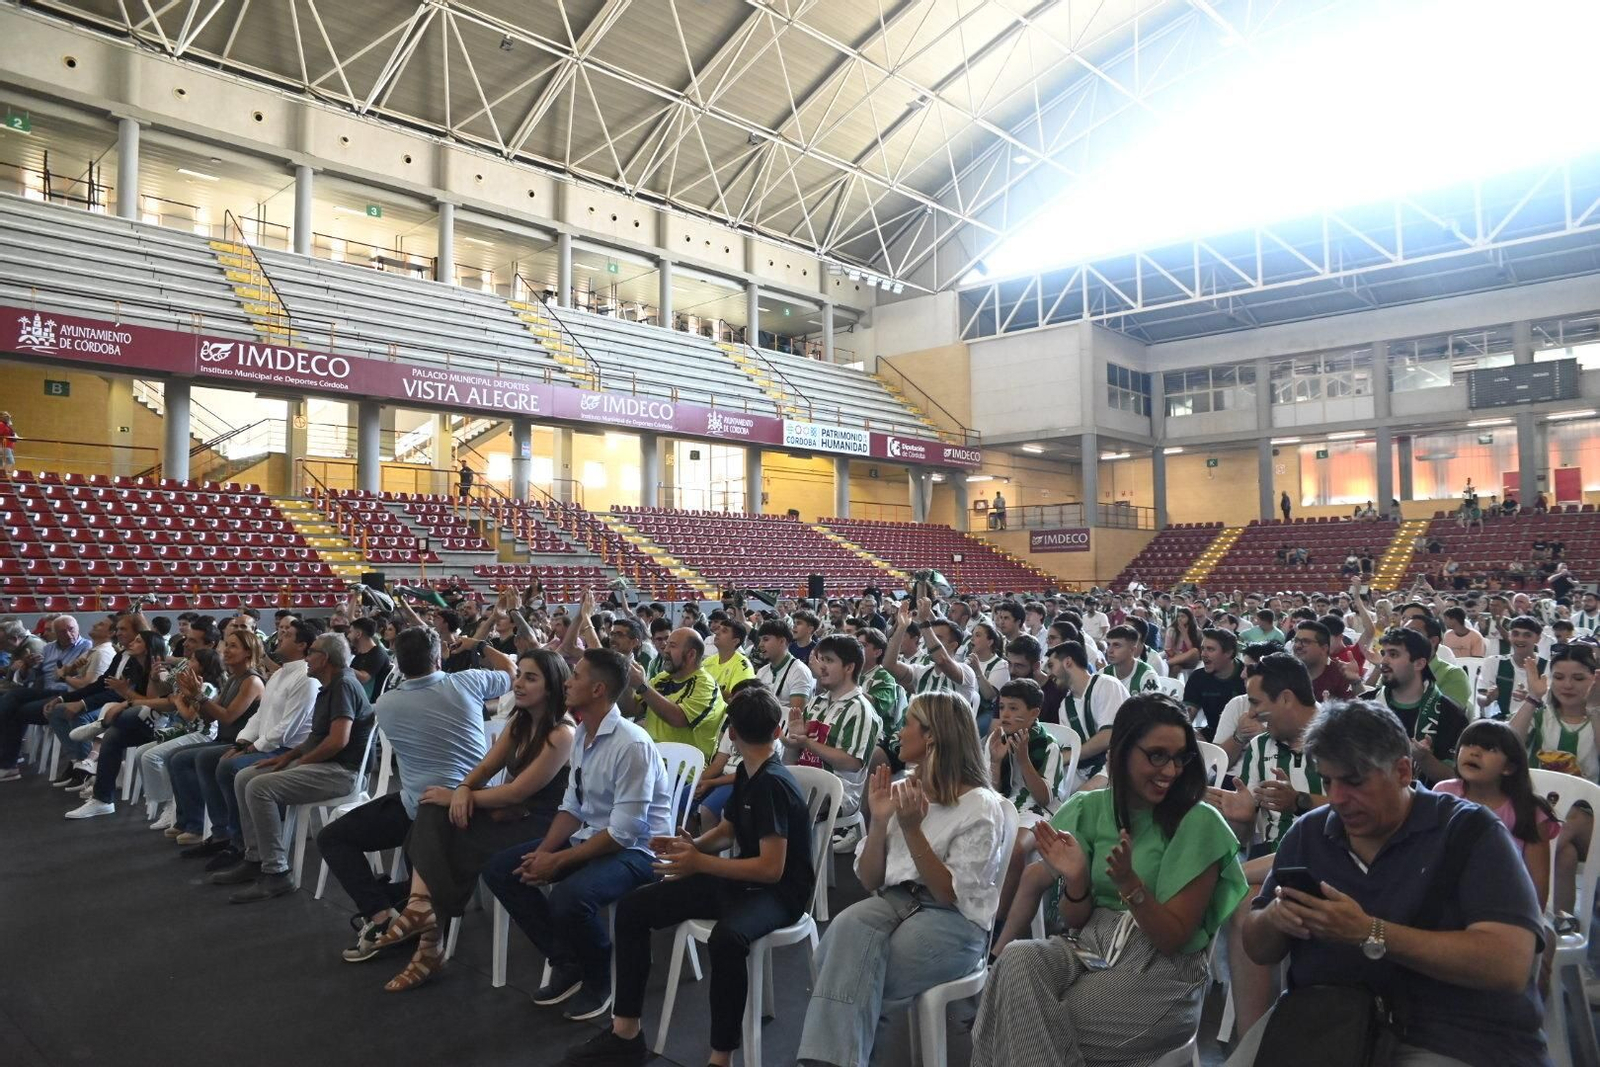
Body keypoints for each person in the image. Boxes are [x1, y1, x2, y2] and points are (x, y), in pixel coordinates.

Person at [1228, 700, 1549, 1067]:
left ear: (1402, 771)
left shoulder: (1470, 832)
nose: (1337, 798)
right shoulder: (1309, 834)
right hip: (1327, 1022)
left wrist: (1370, 932)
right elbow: (1259, 950)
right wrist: (1275, 918)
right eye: (1328, 781)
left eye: (1354, 781)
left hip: (1453, 1035)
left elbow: (1508, 964)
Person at [973, 694, 1247, 1066]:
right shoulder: (1089, 808)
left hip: (1160, 964)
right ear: (1121, 751)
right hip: (1089, 944)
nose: (1170, 770)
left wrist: (1130, 884)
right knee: (1016, 960)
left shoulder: (1199, 822)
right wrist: (1077, 881)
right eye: (1157, 756)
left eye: (1180, 757)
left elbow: (1172, 938)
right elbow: (1074, 919)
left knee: (1026, 1019)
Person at [570, 686, 814, 1067]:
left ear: (731, 732)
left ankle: (721, 1058)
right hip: (747, 880)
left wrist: (700, 863)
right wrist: (691, 846)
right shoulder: (749, 772)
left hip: (781, 894)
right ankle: (626, 1032)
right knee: (634, 909)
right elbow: (729, 830)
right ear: (778, 730)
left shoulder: (771, 783)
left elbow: (771, 869)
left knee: (727, 939)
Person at [794, 692, 1008, 1067]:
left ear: (932, 736)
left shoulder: (979, 806)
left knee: (852, 971)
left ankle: (823, 1061)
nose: (899, 732)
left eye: (908, 723)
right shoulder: (905, 789)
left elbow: (947, 894)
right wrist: (879, 822)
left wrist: (912, 829)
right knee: (840, 936)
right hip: (894, 902)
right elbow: (868, 879)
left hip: (952, 921)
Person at [483, 648, 673, 1022]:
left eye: (576, 676)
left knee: (570, 897)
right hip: (595, 835)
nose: (567, 683)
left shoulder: (631, 744)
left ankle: (598, 978)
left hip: (640, 851)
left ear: (598, 689)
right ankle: (567, 959)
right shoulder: (583, 732)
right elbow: (572, 807)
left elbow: (623, 834)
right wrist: (545, 851)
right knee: (502, 870)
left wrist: (559, 860)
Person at [371, 649, 575, 991]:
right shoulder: (520, 723)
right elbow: (485, 768)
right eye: (519, 675)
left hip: (543, 826)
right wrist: (464, 788)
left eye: (530, 678)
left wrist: (459, 796)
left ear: (551, 687)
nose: (518, 684)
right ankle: (421, 911)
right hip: (511, 814)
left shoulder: (561, 734)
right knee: (433, 811)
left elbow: (517, 793)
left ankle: (428, 941)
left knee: (444, 835)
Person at [323, 626, 514, 963]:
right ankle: (399, 908)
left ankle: (381, 913)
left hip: (425, 809)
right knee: (419, 873)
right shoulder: (468, 682)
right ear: (438, 658)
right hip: (469, 806)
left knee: (332, 839)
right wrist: (479, 644)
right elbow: (510, 672)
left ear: (398, 663)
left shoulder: (386, 704)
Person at [1204, 654, 1326, 1037]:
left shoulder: (1339, 737)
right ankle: (1251, 1039)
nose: (1252, 713)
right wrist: (1241, 817)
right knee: (1245, 902)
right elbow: (1246, 838)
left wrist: (1300, 801)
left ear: (1286, 697)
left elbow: (1358, 807)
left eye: (1257, 703)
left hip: (1327, 861)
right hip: (1269, 864)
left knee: (1233, 882)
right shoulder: (1259, 748)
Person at [214, 632, 376, 902]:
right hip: (327, 765)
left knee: (258, 788)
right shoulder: (331, 684)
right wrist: (285, 758)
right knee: (243, 777)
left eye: (311, 652)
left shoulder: (343, 685)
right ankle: (255, 857)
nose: (307, 658)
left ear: (324, 658)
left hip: (343, 772)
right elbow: (316, 738)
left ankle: (277, 872)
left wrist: (300, 762)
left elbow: (338, 741)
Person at [1507, 641, 1598, 919]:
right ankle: (1559, 923)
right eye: (1559, 677)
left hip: (1591, 821)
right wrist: (1533, 698)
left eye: (1578, 678)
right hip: (1539, 813)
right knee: (1563, 854)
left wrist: (1595, 709)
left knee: (1570, 818)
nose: (1567, 685)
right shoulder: (1541, 715)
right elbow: (1508, 744)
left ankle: (1518, 890)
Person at [167, 630, 268, 845]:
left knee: (195, 758)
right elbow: (210, 716)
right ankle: (188, 821)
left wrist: (200, 696)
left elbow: (228, 716)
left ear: (248, 652)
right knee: (174, 757)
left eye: (233, 646)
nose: (226, 651)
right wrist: (193, 697)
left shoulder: (252, 681)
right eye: (226, 645)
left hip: (240, 744)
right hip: (224, 739)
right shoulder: (234, 679)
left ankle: (214, 829)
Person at [786, 634, 880, 854]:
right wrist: (792, 741)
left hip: (838, 792)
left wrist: (808, 743)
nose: (821, 667)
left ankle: (787, 869)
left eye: (828, 660)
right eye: (820, 660)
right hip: (806, 781)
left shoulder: (860, 709)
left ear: (849, 667)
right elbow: (795, 757)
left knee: (779, 807)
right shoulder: (817, 702)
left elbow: (853, 763)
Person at [1362, 628, 1467, 787]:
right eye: (1383, 654)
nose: (1383, 661)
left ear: (1419, 663)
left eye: (1393, 654)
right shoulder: (1364, 705)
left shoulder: (1449, 713)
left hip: (1427, 800)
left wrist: (1424, 759)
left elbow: (1457, 780)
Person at [628, 627, 724, 760]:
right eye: (667, 645)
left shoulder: (705, 685)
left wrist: (641, 686)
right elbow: (631, 709)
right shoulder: (662, 678)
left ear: (691, 654)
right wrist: (626, 679)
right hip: (653, 758)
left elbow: (678, 719)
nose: (665, 650)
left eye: (672, 646)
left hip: (684, 767)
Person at [1046, 641, 1129, 787]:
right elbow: (1068, 751)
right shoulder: (1065, 705)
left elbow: (1109, 736)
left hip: (1117, 762)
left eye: (1051, 665)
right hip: (1084, 769)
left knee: (1080, 797)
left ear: (1067, 662)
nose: (1048, 674)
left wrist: (1071, 755)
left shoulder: (1107, 684)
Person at [1182, 627, 1245, 743]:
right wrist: (1193, 733)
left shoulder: (1247, 676)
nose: (1203, 654)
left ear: (1229, 652)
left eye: (1210, 649)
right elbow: (1186, 717)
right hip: (1212, 734)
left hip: (1244, 737)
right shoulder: (1197, 677)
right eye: (1202, 649)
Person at [1290, 620, 1352, 701]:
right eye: (1296, 641)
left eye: (1305, 642)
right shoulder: (1287, 672)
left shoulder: (1340, 674)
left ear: (1324, 648)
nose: (1298, 646)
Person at [704, 616, 756, 702]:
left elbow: (738, 698)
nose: (717, 633)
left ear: (735, 641)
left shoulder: (743, 666)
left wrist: (706, 690)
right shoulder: (707, 662)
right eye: (718, 629)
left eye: (724, 631)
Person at [1101, 624, 1161, 694]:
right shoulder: (1103, 674)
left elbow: (1152, 701)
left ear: (1132, 650)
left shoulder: (1147, 675)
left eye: (1116, 645)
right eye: (1108, 645)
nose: (1110, 650)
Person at [1164, 607, 1202, 674]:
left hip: (1190, 659)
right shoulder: (1171, 630)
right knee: (1176, 668)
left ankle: (1165, 664)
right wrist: (1177, 656)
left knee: (1195, 651)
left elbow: (1192, 650)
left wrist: (1184, 634)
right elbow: (1168, 649)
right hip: (1175, 658)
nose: (1180, 619)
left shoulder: (1196, 631)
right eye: (1178, 616)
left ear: (1189, 618)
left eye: (1183, 616)